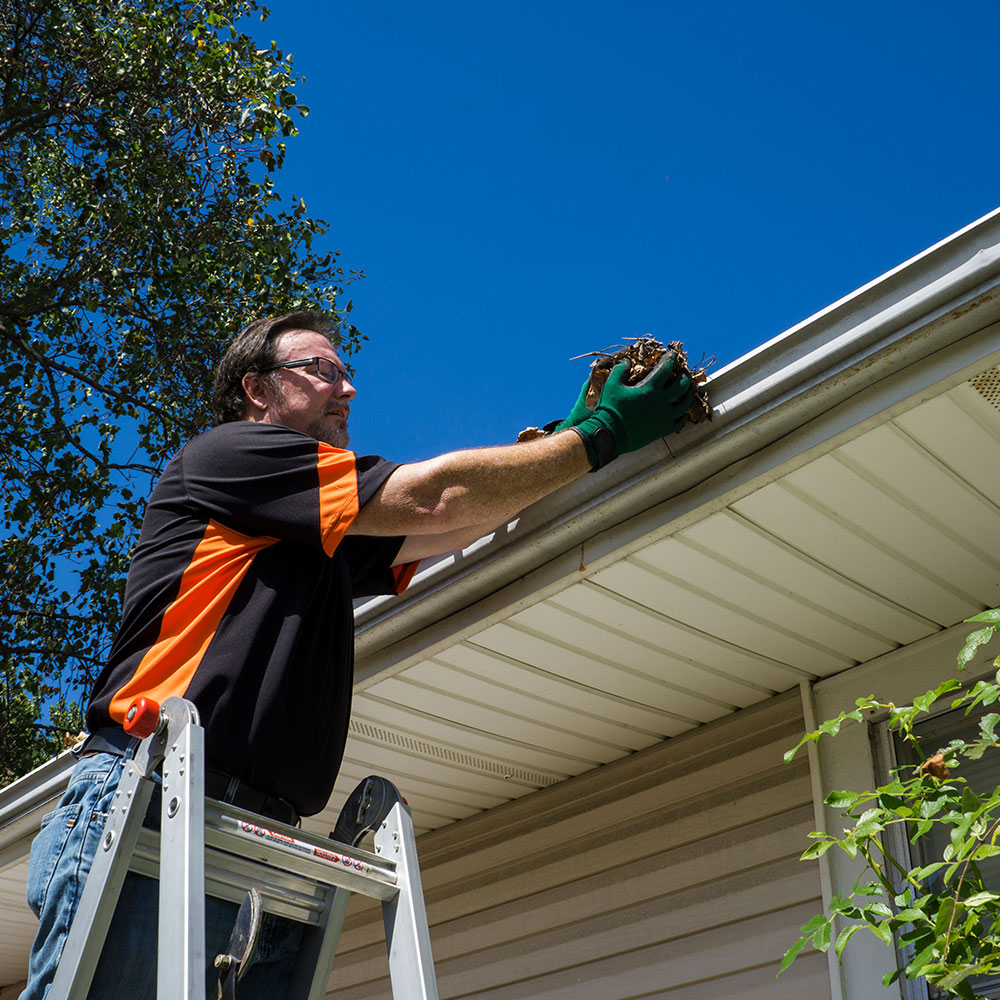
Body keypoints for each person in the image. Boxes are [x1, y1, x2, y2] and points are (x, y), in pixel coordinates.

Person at [20, 311, 694, 999]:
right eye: (323, 371)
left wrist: (560, 444)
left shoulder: (316, 533)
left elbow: (454, 522)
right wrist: (598, 437)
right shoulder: (230, 458)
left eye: (347, 374)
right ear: (258, 390)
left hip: (254, 832)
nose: (347, 390)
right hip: (151, 798)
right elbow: (432, 498)